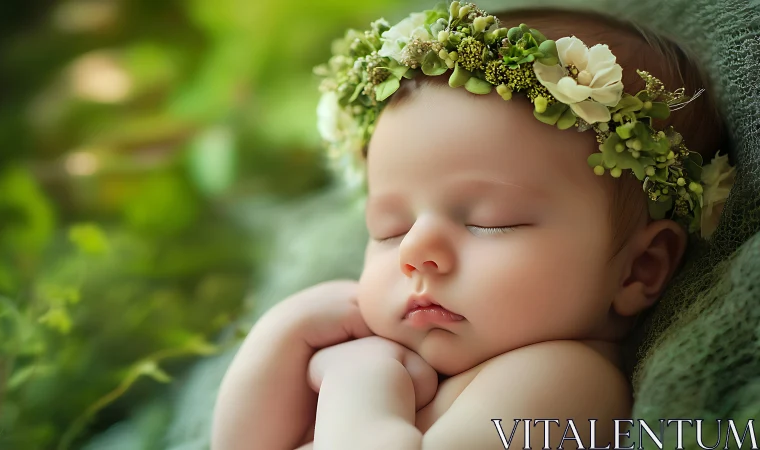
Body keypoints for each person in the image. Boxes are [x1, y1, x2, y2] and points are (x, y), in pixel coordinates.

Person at [210, 2, 736, 449]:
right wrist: (289, 332)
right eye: (389, 228)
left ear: (638, 269)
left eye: (490, 222)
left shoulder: (566, 382)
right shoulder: (410, 356)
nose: (414, 252)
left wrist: (360, 386)